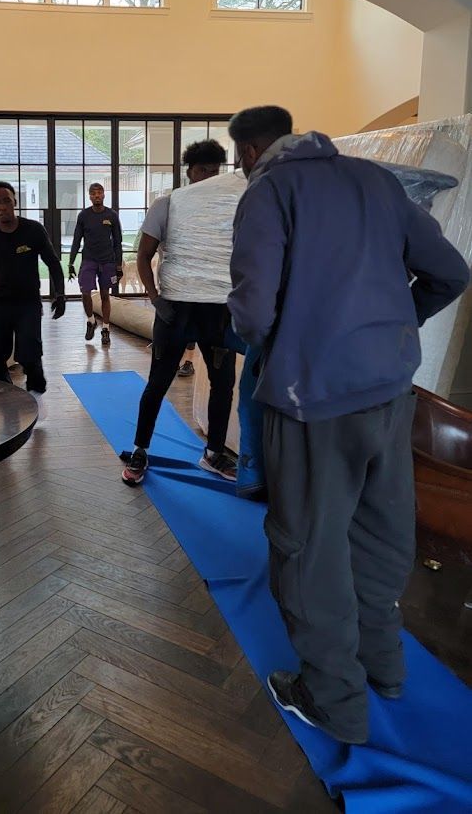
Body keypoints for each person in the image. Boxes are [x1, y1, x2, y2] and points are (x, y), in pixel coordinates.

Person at [227, 104, 469, 745]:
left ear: (248, 152)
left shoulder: (269, 192)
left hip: (313, 401)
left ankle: (334, 700)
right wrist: (394, 324)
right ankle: (385, 669)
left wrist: (291, 344)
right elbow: (451, 273)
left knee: (307, 547)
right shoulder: (377, 179)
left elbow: (252, 312)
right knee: (381, 532)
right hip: (391, 392)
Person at [122, 140, 245, 485]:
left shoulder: (228, 208)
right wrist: (155, 298)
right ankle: (140, 450)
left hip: (217, 311)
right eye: (203, 170)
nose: (209, 176)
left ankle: (213, 453)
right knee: (158, 382)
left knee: (223, 383)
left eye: (214, 171)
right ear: (189, 172)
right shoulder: (168, 204)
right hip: (175, 310)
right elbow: (143, 255)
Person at [0, 181, 66, 403]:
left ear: (15, 202)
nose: (2, 206)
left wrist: (60, 294)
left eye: (6, 201)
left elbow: (53, 263)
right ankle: (3, 400)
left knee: (30, 353)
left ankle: (36, 395)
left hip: (28, 303)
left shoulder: (33, 230)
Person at [68, 183, 123, 346]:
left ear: (104, 195)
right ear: (90, 196)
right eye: (93, 193)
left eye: (99, 192)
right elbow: (76, 239)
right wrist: (71, 262)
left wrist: (118, 266)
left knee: (105, 295)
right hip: (89, 259)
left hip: (107, 261)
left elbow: (118, 242)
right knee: (85, 292)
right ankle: (91, 321)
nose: (97, 195)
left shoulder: (112, 215)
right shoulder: (83, 215)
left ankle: (105, 329)